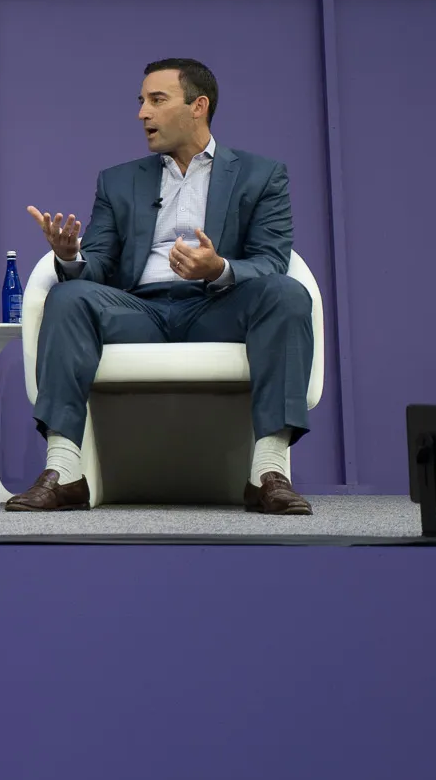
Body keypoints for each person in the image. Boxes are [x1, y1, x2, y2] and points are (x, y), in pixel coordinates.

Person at [16, 58, 315, 515]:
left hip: (220, 306)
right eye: (141, 102)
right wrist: (70, 255)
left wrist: (217, 268)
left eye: (157, 100)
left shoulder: (261, 176)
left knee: (288, 294)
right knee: (68, 295)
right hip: (140, 310)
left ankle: (269, 473)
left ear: (199, 106)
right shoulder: (118, 181)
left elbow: (273, 261)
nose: (142, 113)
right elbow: (99, 267)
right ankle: (64, 472)